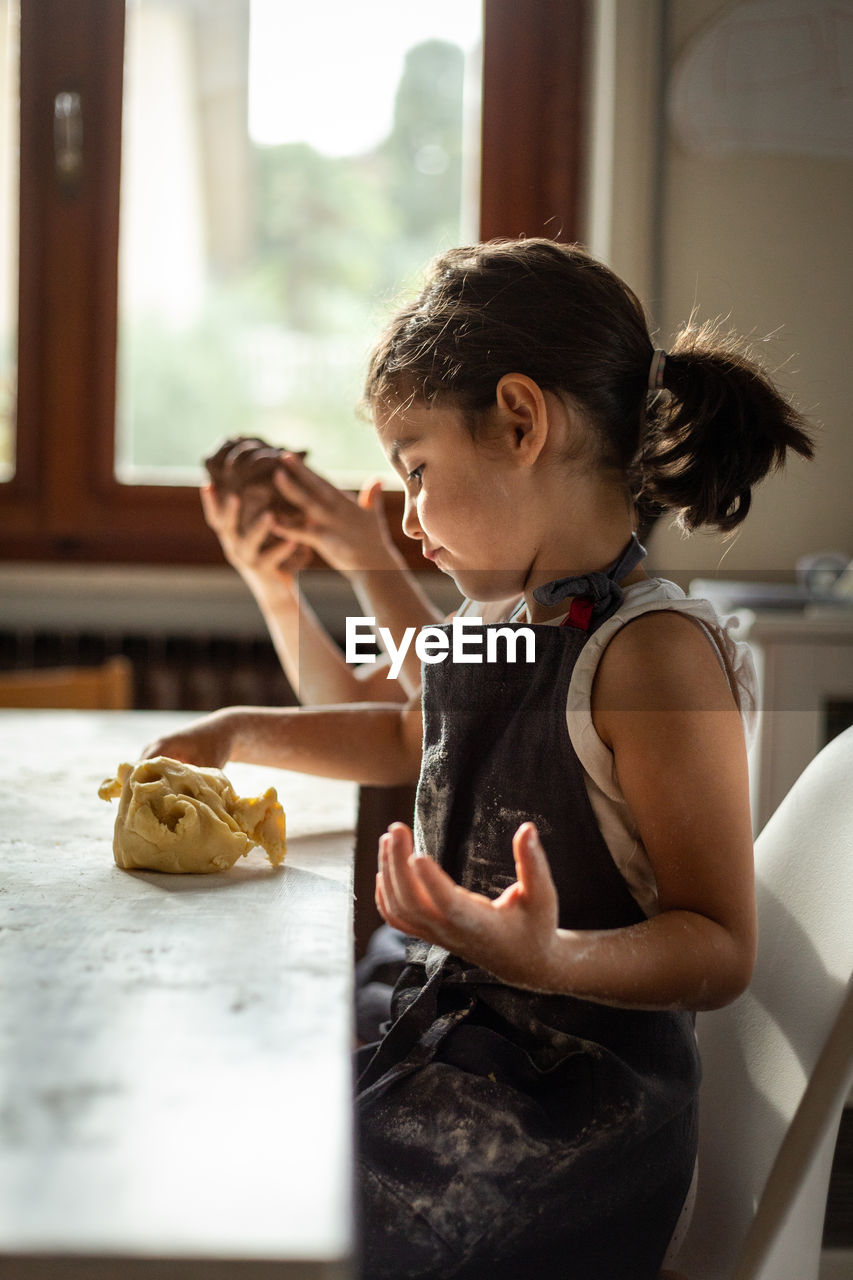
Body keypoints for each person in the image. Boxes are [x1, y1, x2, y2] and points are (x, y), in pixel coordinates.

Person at [145, 238, 814, 1279]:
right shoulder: (504, 613)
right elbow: (414, 732)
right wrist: (233, 729)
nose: (409, 518)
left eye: (416, 468)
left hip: (558, 1124)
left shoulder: (653, 654)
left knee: (235, 1207)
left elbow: (720, 946)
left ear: (519, 419)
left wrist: (549, 957)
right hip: (455, 1048)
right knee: (209, 1118)